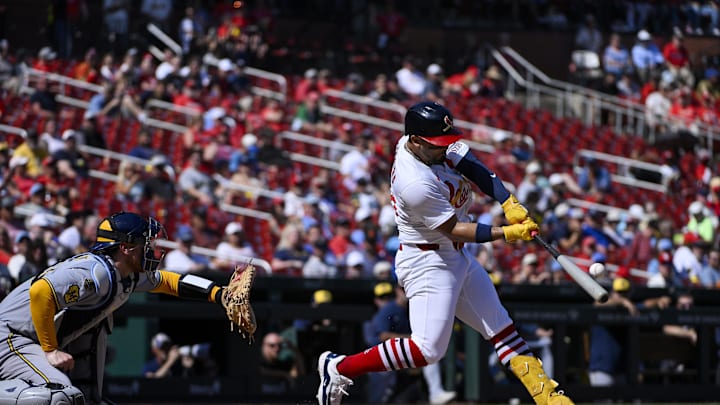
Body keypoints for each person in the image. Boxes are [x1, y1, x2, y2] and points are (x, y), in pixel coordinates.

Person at [315, 101, 573, 405]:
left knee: (502, 328)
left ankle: (547, 396)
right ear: (416, 141)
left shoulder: (425, 142)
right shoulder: (413, 181)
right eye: (438, 144)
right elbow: (454, 229)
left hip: (456, 256)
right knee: (427, 351)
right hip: (428, 260)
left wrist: (507, 201)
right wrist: (507, 233)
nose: (445, 147)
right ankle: (339, 367)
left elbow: (473, 166)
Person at [0, 212, 249, 404]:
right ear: (126, 248)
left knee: (85, 400)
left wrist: (220, 294)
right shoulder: (94, 271)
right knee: (58, 398)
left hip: (29, 340)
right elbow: (41, 291)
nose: (152, 250)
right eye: (146, 243)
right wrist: (50, 349)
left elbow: (168, 281)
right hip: (11, 337)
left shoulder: (125, 273)